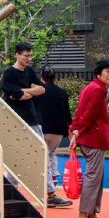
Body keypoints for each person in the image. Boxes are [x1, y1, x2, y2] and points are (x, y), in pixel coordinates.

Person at [69, 60, 109, 218]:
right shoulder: (97, 90)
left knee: (97, 177)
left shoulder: (93, 88)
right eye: (108, 71)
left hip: (92, 138)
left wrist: (75, 130)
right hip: (93, 139)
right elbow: (88, 115)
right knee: (93, 177)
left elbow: (80, 112)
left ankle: (91, 215)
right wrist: (77, 132)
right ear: (98, 74)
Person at [35, 67, 73, 208]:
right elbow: (67, 115)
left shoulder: (38, 91)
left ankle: (50, 193)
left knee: (44, 158)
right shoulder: (62, 92)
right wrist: (70, 135)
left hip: (42, 129)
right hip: (58, 131)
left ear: (42, 77)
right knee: (51, 154)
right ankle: (52, 184)